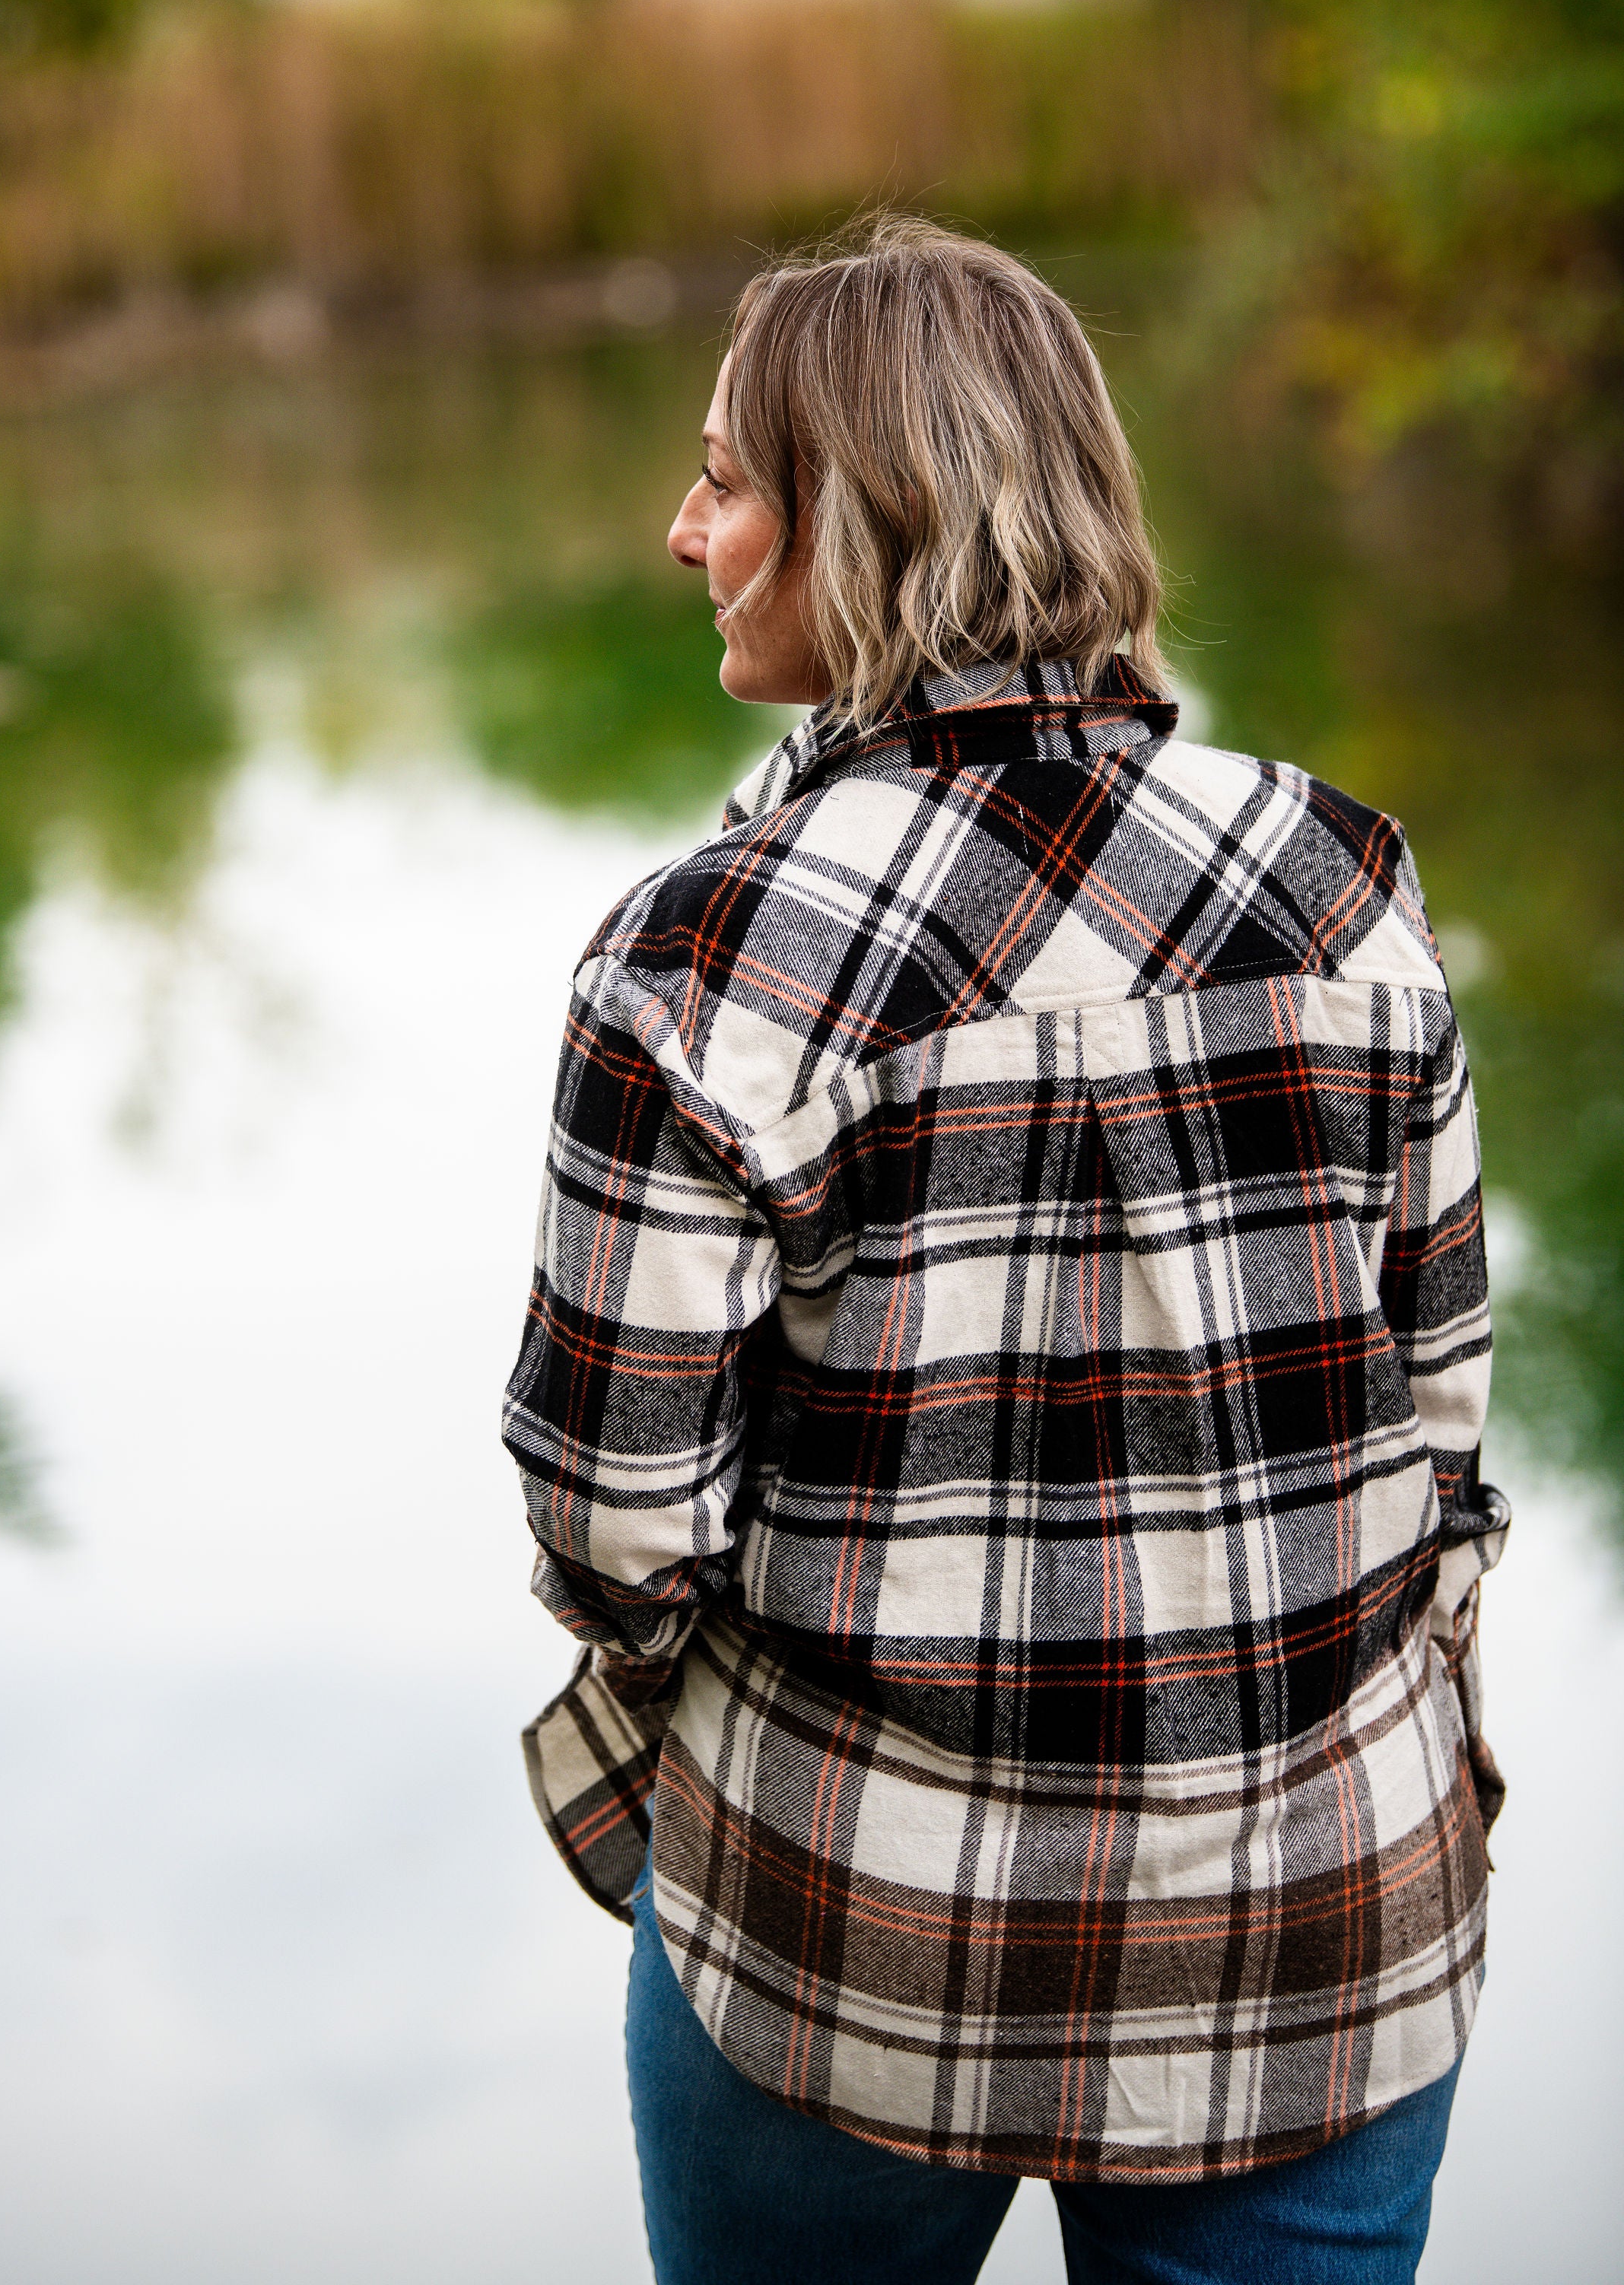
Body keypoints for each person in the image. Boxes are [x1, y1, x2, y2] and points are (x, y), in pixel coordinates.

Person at [502, 217, 1508, 2285]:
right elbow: (1445, 1433)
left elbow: (611, 1522)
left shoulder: (707, 951)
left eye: (721, 479)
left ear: (855, 518)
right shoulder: (1344, 880)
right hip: (1325, 1929)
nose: (677, 529)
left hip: (848, 1931)